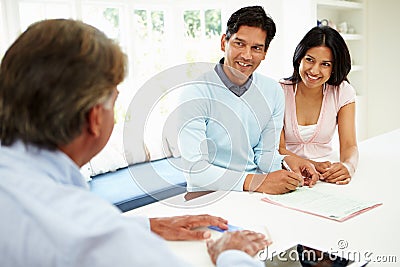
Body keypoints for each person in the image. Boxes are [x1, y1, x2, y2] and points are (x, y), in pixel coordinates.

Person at [0, 19, 270, 266]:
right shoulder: (98, 236)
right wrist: (231, 254)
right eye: (115, 99)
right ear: (95, 118)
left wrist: (144, 226)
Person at [176, 6, 319, 195]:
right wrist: (257, 182)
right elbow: (196, 171)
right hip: (207, 195)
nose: (246, 55)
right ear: (223, 42)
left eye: (256, 48)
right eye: (239, 44)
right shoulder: (194, 93)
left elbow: (264, 155)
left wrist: (286, 162)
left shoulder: (273, 91)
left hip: (254, 195)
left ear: (265, 52)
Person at [279, 25, 359, 185]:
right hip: (287, 172)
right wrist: (312, 166)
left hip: (326, 175)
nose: (314, 70)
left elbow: (349, 145)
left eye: (325, 64)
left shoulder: (342, 92)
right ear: (299, 58)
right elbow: (278, 149)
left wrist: (348, 166)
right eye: (309, 60)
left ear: (334, 67)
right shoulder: (279, 91)